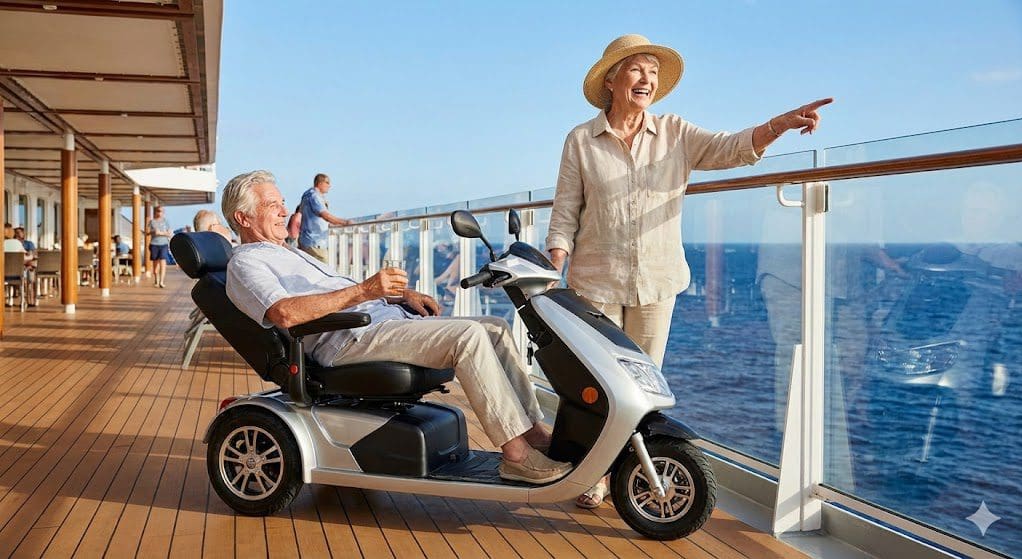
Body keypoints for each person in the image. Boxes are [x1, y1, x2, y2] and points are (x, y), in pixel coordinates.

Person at [546, 34, 833, 508]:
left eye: (653, 72)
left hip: (657, 283)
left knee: (643, 387)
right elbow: (565, 212)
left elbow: (731, 148)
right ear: (613, 80)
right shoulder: (580, 140)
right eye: (637, 69)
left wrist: (778, 125)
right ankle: (592, 476)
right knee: (597, 386)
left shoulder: (676, 132)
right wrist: (552, 267)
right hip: (594, 283)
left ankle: (625, 473)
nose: (647, 79)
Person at [222, 170, 570, 484]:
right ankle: (517, 456)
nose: (286, 211)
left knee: (494, 327)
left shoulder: (288, 251)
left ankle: (535, 432)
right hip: (350, 340)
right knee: (468, 336)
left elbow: (341, 294)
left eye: (282, 203)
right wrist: (365, 291)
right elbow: (284, 313)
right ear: (243, 217)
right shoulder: (247, 263)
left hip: (377, 324)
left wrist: (399, 296)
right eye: (273, 205)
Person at [298, 173, 352, 262]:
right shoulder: (315, 196)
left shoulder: (306, 195)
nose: (329, 186)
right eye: (327, 182)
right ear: (320, 183)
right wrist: (345, 222)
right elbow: (325, 215)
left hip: (306, 241)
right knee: (322, 271)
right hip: (315, 243)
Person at [147, 206, 172, 287]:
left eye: (162, 211)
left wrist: (161, 233)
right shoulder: (152, 222)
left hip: (163, 244)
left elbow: (169, 233)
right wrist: (154, 231)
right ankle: (156, 280)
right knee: (155, 264)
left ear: (163, 212)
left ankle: (161, 281)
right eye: (158, 211)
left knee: (163, 262)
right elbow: (146, 232)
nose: (160, 212)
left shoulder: (166, 222)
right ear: (155, 212)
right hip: (154, 244)